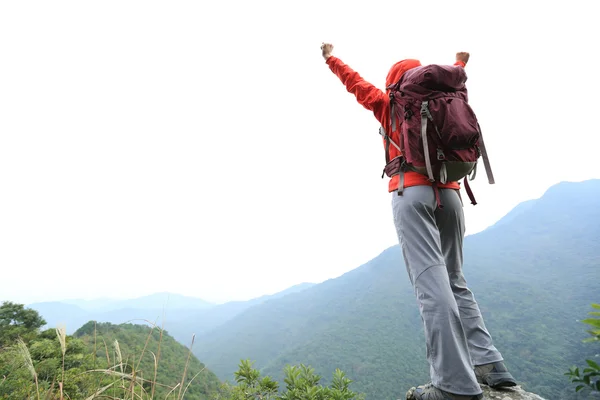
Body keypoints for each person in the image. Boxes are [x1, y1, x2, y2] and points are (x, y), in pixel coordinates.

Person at [320, 43, 517, 400]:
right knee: (455, 279)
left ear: (395, 83)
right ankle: (491, 366)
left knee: (431, 284)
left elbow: (354, 82)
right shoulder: (448, 94)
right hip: (452, 196)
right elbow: (458, 75)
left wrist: (330, 58)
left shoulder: (388, 104)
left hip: (412, 193)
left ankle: (453, 386)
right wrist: (460, 61)